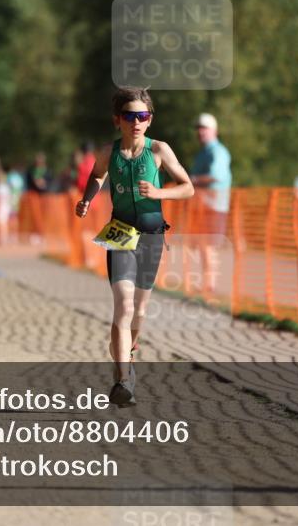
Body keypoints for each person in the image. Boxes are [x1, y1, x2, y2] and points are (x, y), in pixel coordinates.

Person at [76, 87, 194, 407]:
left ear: (150, 120)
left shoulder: (159, 150)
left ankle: (128, 350)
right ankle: (123, 379)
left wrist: (159, 194)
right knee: (124, 306)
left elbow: (188, 188)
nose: (137, 122)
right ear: (118, 120)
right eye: (130, 116)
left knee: (139, 311)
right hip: (121, 233)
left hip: (152, 235)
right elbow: (96, 176)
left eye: (143, 116)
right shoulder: (109, 152)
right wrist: (87, 199)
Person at [190, 112, 232, 296]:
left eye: (204, 128)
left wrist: (192, 180)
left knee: (209, 246)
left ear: (214, 130)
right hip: (203, 206)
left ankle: (210, 286)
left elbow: (216, 176)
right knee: (203, 246)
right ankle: (208, 285)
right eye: (198, 128)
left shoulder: (217, 152)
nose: (200, 132)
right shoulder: (203, 153)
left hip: (215, 206)